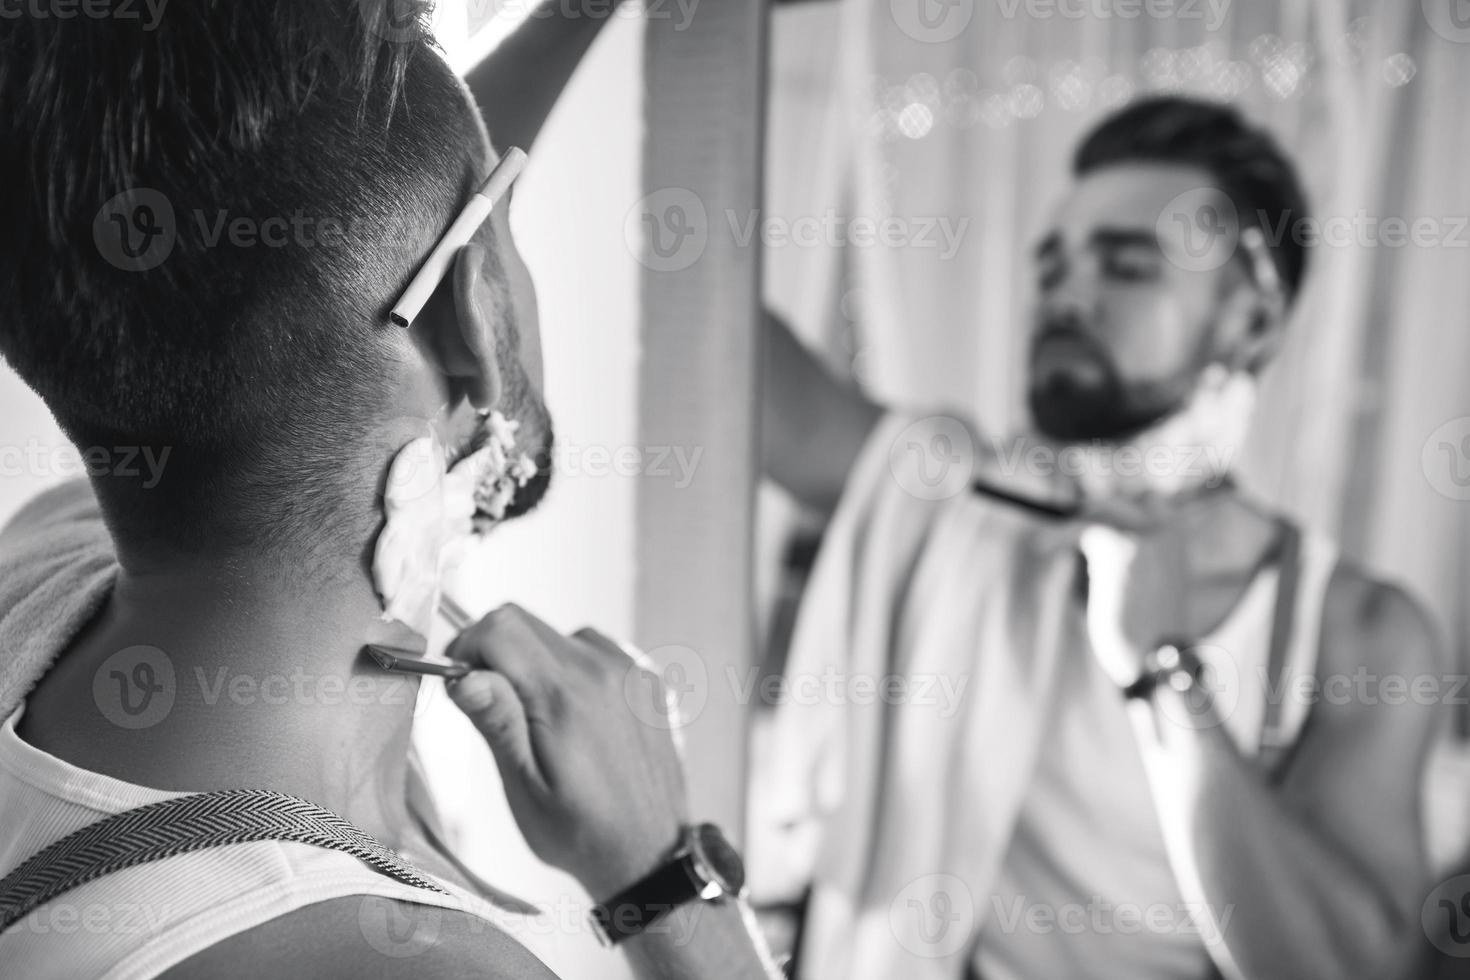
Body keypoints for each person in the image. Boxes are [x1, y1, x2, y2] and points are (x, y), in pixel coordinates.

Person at [0, 2, 777, 978]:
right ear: (473, 310)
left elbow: (311, 263)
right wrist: (665, 870)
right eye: (505, 223)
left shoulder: (41, 570)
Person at [750, 96, 1448, 980]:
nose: (1066, 296)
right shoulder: (953, 495)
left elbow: (1350, 970)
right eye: (1053, 267)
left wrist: (1163, 668)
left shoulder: (1356, 631)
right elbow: (724, 351)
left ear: (1253, 320)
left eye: (1125, 267)